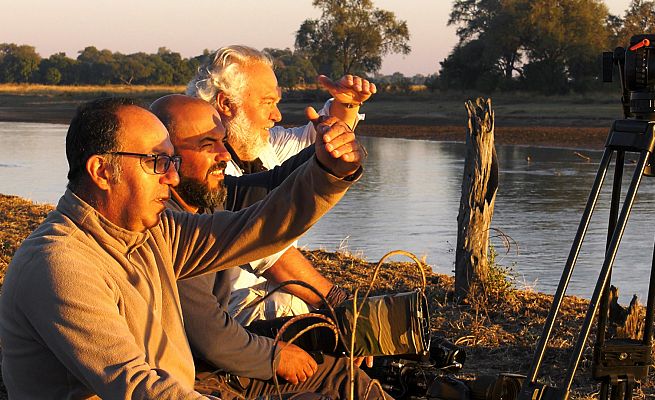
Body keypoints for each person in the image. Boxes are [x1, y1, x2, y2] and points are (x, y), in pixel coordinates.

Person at [0, 97, 366, 399]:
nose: (172, 177)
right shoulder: (60, 264)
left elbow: (254, 230)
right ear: (101, 171)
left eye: (172, 161)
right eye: (158, 162)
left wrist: (326, 172)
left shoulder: (151, 232)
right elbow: (137, 387)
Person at [150, 94, 388, 399]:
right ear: (166, 156)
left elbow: (272, 184)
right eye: (208, 145)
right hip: (191, 377)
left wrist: (328, 158)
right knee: (328, 388)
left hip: (214, 357)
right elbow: (209, 337)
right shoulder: (166, 224)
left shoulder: (201, 198)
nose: (224, 155)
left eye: (223, 141)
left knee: (337, 364)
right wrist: (275, 356)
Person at [187, 45, 377, 324]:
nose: (277, 115)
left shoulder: (264, 144)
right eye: (267, 103)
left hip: (264, 297)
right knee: (291, 308)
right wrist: (341, 304)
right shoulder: (198, 165)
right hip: (219, 309)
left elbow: (318, 143)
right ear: (226, 104)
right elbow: (271, 254)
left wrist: (346, 106)